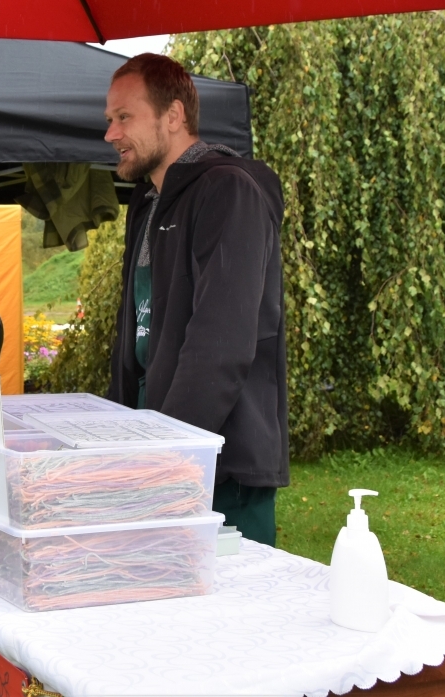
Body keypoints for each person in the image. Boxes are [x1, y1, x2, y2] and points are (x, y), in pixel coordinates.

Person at [103, 54, 289, 546]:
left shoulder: (229, 192)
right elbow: (141, 340)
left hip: (214, 469)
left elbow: (220, 345)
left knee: (227, 618)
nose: (111, 134)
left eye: (125, 117)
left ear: (174, 116)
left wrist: (170, 460)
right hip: (153, 455)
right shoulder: (146, 205)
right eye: (109, 120)